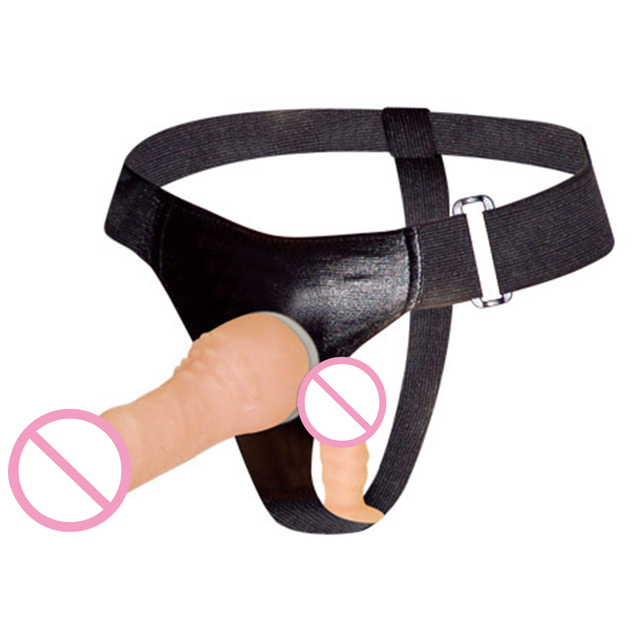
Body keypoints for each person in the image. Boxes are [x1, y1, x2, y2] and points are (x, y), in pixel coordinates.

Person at [101, 312, 383, 524]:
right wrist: (346, 505)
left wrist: (346, 505)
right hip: (269, 368)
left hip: (250, 350)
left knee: (185, 412)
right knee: (187, 413)